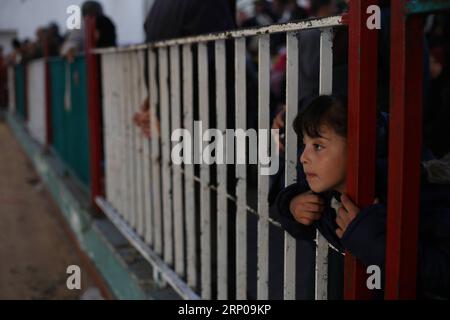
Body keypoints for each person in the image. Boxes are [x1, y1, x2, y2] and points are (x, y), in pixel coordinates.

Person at [275, 95, 450, 298]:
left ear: (360, 145)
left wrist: (371, 237)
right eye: (304, 145)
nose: (303, 157)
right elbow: (310, 219)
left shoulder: (414, 193)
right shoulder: (331, 192)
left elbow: (441, 274)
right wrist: (291, 205)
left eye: (318, 146)